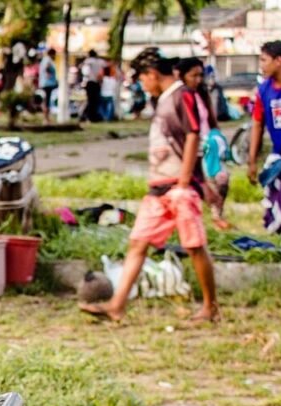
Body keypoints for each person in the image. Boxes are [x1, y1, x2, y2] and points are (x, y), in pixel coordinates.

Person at [80, 50, 220, 324]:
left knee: (194, 246)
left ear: (152, 75)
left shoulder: (182, 96)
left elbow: (194, 135)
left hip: (179, 186)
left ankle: (210, 307)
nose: (143, 85)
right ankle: (117, 305)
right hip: (158, 188)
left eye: (143, 78)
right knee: (138, 243)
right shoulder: (165, 100)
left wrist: (183, 181)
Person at [178, 56, 231, 229]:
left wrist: (219, 139)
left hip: (208, 144)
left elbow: (211, 120)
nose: (198, 79)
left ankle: (217, 215)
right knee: (199, 184)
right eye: (194, 75)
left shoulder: (202, 94)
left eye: (200, 75)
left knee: (221, 179)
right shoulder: (181, 96)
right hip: (193, 146)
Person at [248, 40, 281, 233]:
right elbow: (257, 124)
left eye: (264, 60)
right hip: (279, 156)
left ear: (279, 61)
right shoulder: (264, 91)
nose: (261, 66)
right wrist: (252, 160)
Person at [81, 49, 105, 122]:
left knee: (90, 100)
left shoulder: (88, 61)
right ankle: (91, 116)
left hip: (90, 82)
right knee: (95, 101)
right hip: (97, 83)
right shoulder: (100, 62)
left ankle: (86, 116)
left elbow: (85, 72)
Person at [39, 48, 59, 124]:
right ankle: (46, 119)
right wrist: (48, 74)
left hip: (46, 83)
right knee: (47, 101)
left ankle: (47, 118)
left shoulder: (45, 59)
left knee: (46, 100)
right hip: (47, 83)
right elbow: (47, 68)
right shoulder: (48, 60)